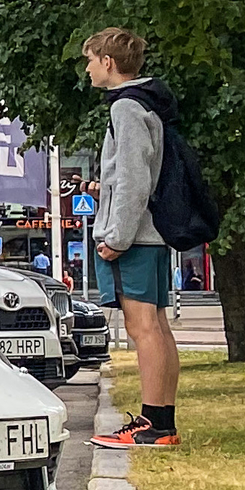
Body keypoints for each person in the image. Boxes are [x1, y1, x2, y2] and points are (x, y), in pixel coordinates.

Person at [84, 27, 181, 447]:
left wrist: (116, 237)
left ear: (108, 62)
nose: (87, 68)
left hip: (135, 238)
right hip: (151, 234)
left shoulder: (125, 107)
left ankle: (153, 425)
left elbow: (134, 179)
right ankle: (162, 421)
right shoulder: (149, 104)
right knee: (157, 325)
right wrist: (102, 190)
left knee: (143, 329)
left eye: (89, 60)